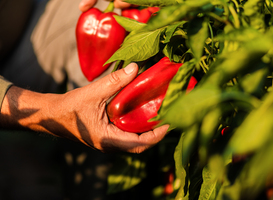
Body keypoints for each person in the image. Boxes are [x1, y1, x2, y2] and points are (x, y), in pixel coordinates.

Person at [0, 0, 169, 154]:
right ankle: (89, 169)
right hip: (6, 68)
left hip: (30, 15)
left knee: (108, 7)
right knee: (96, 114)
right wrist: (55, 111)